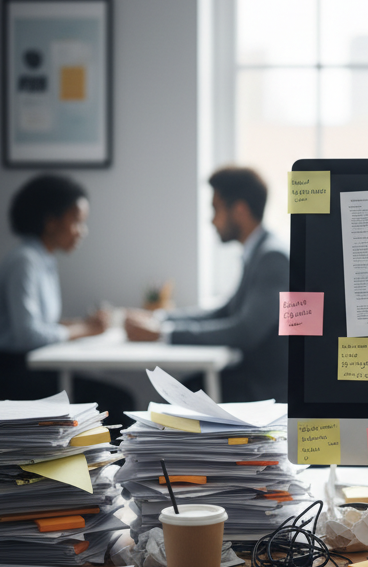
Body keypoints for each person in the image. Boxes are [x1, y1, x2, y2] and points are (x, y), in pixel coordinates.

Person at [125, 166, 288, 403]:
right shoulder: (259, 252)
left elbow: (245, 331)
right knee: (177, 391)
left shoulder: (272, 258)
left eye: (216, 209)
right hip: (249, 377)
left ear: (240, 210)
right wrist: (160, 319)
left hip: (263, 389)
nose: (212, 220)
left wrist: (162, 334)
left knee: (174, 394)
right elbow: (224, 311)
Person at [0, 174, 131, 420]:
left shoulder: (43, 259)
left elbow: (42, 325)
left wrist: (83, 323)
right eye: (77, 222)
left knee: (114, 398)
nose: (82, 232)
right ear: (51, 222)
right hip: (15, 372)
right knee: (119, 402)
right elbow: (27, 335)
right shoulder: (24, 261)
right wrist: (85, 329)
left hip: (34, 366)